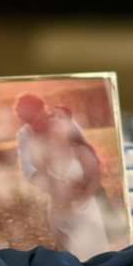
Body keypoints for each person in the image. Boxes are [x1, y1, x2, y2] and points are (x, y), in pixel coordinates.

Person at [14, 96, 112, 257]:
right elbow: (29, 170)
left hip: (84, 190)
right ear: (28, 122)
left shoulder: (61, 122)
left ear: (44, 108)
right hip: (57, 197)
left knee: (99, 232)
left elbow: (84, 147)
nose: (44, 120)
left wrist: (84, 185)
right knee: (66, 245)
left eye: (43, 114)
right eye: (36, 120)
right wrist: (56, 189)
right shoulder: (26, 135)